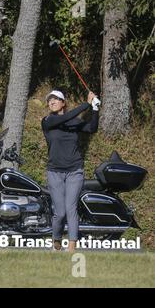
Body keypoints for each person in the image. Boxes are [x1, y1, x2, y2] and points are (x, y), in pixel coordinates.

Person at [41, 90, 100, 252]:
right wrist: (86, 104)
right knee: (59, 212)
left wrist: (95, 109)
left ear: (63, 103)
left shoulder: (73, 122)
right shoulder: (47, 121)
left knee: (70, 208)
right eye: (49, 100)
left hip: (75, 170)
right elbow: (64, 118)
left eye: (56, 99)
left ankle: (72, 245)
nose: (52, 102)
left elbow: (92, 128)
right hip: (55, 172)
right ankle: (57, 240)